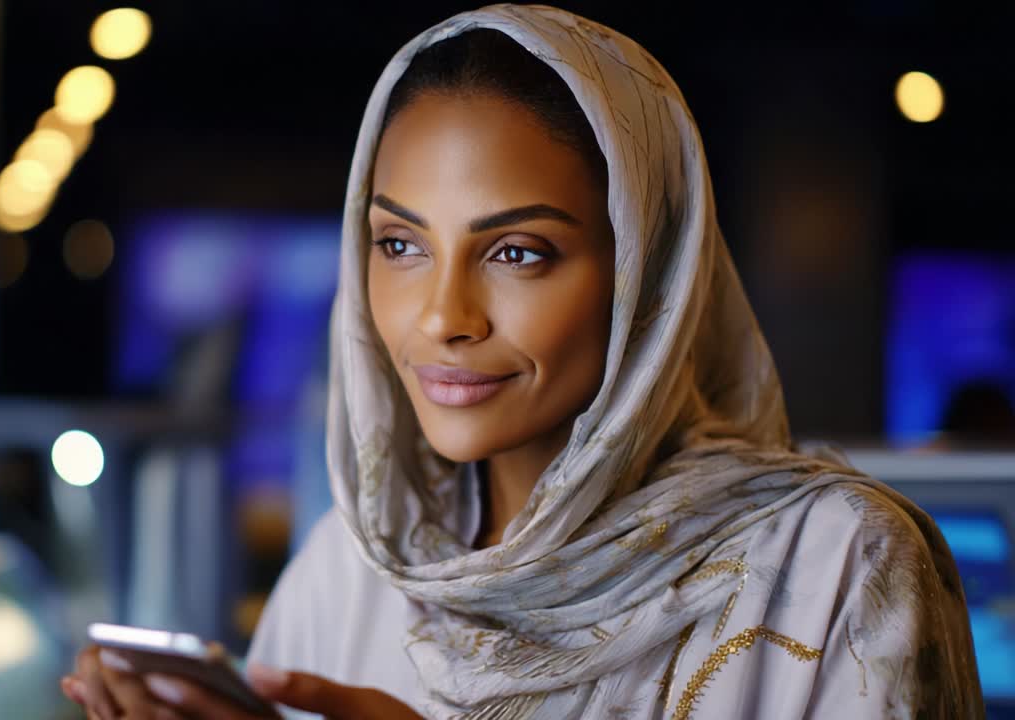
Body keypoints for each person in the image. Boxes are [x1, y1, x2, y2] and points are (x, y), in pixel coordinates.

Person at [62, 5, 982, 718]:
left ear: (645, 272)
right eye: (398, 245)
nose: (442, 318)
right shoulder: (358, 566)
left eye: (516, 253)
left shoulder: (831, 566)